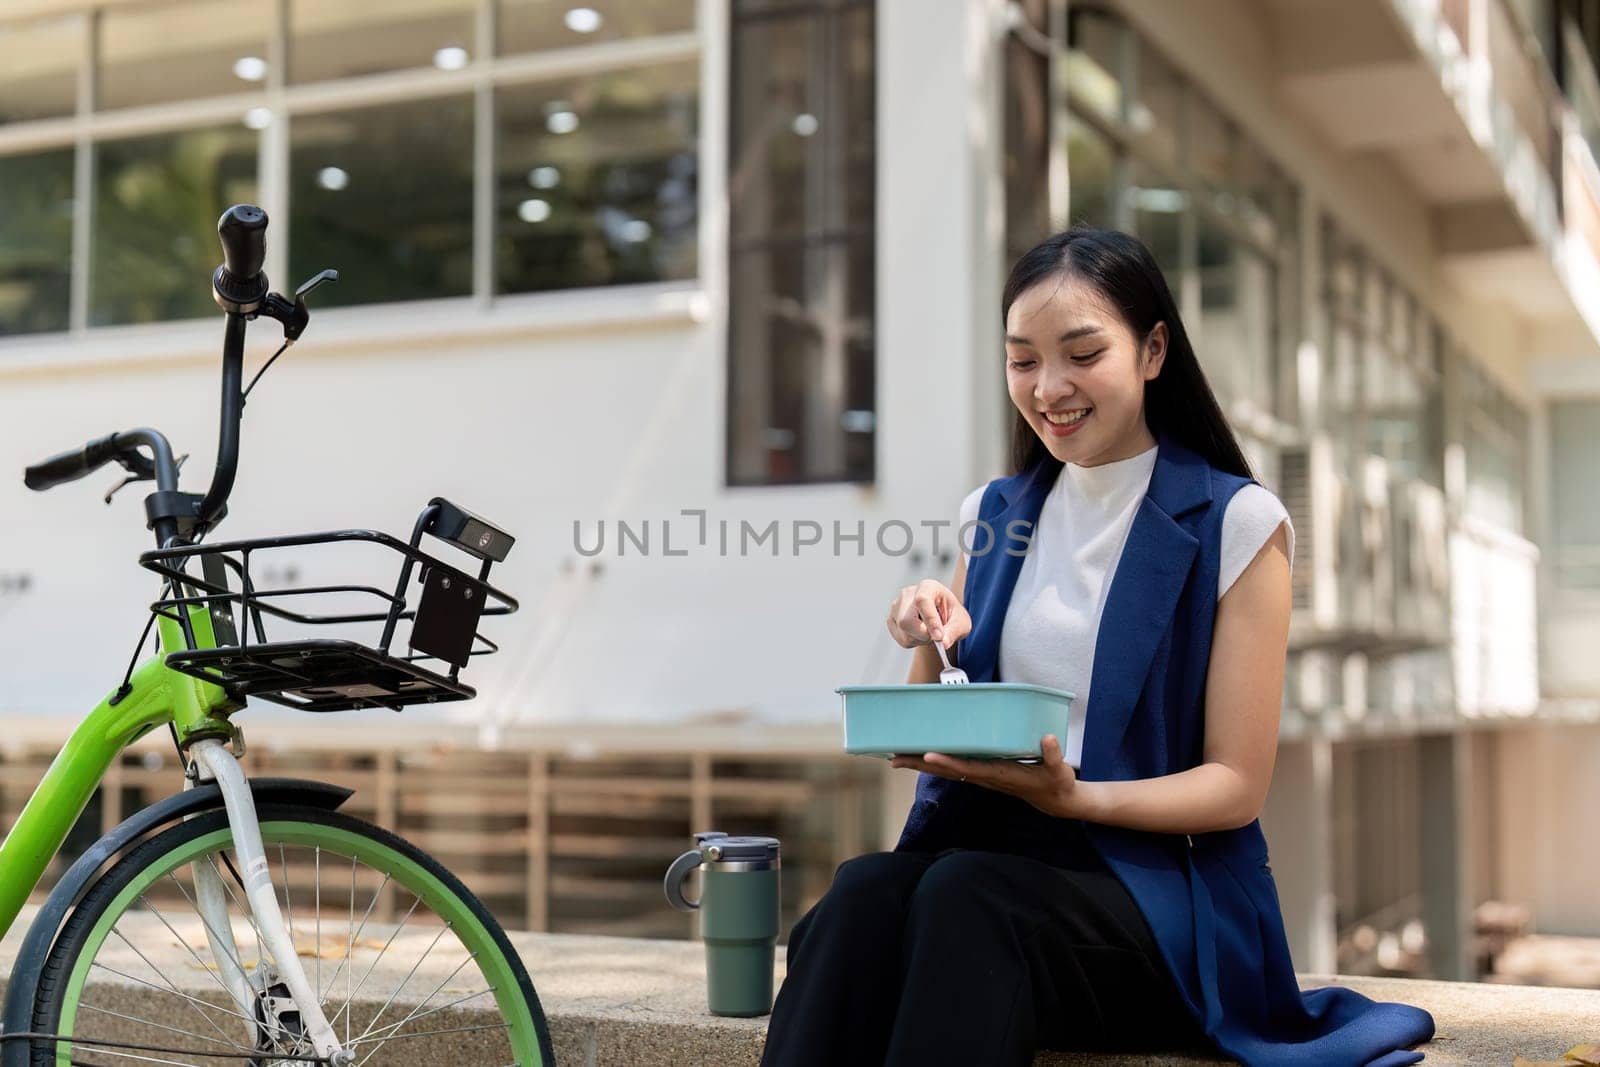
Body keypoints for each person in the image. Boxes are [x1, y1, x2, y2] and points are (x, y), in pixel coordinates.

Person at [760, 228, 1436, 1066]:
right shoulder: (994, 514)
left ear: (1154, 349)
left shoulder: (1237, 522)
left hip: (1160, 900)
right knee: (860, 895)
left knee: (967, 897)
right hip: (1000, 871)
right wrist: (925, 635)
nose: (1049, 388)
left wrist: (1073, 799)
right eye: (1022, 361)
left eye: (1082, 353)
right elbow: (934, 733)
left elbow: (1236, 785)